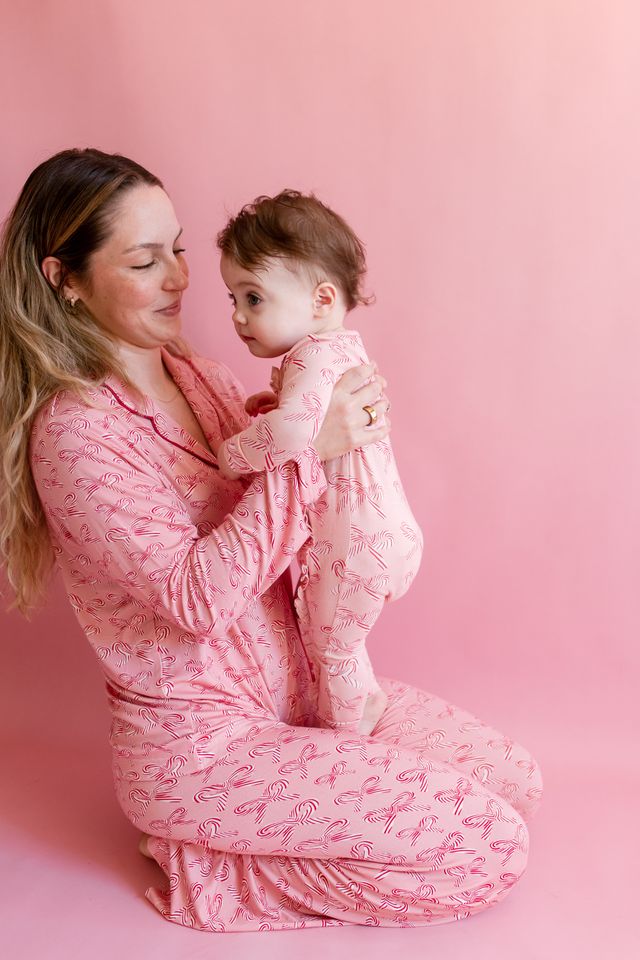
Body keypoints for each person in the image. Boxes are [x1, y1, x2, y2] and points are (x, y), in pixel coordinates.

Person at [0, 148, 543, 933]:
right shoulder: (76, 435)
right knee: (488, 848)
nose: (181, 279)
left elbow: (296, 518)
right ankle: (216, 871)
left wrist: (352, 448)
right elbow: (197, 598)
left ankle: (293, 818)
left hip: (306, 696)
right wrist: (305, 453)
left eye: (180, 249)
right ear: (66, 279)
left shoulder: (206, 380)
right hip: (207, 749)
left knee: (514, 783)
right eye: (146, 261)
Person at [216, 190, 423, 736]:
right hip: (388, 529)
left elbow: (291, 434)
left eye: (254, 297)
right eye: (233, 297)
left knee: (331, 646)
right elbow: (309, 421)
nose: (238, 315)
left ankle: (351, 739)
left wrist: (234, 454)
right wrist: (281, 408)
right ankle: (366, 703)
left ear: (321, 300)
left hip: (357, 538)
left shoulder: (310, 353)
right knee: (343, 642)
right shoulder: (345, 350)